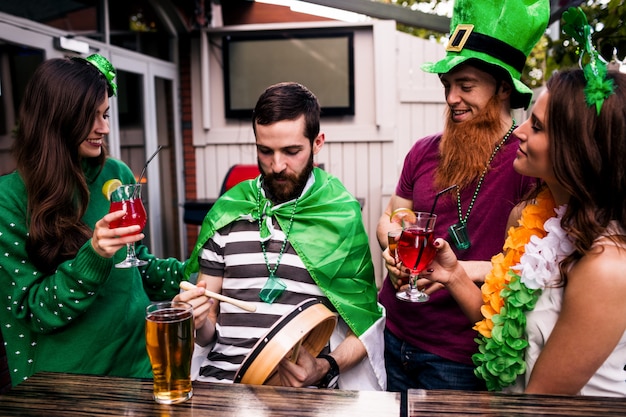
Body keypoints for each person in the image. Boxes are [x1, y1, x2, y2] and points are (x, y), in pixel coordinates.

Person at [426, 8, 626, 397]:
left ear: (576, 149)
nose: (518, 131)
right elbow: (506, 331)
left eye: (536, 126)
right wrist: (453, 275)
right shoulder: (542, 222)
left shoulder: (607, 266)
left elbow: (541, 400)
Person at [375, 0, 549, 394]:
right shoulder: (423, 150)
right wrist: (393, 246)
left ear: (504, 87)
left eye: (466, 86)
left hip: (457, 356)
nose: (452, 98)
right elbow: (392, 216)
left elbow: (530, 272)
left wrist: (457, 270)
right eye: (448, 86)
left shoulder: (529, 162)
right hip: (393, 333)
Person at [181, 81, 386, 390]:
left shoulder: (338, 215)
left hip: (303, 395)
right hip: (223, 388)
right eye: (265, 151)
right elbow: (208, 330)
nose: (277, 166)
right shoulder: (229, 212)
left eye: (291, 151)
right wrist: (197, 322)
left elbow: (365, 325)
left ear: (318, 143)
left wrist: (324, 368)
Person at [0, 54, 190, 386]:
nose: (103, 128)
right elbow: (34, 310)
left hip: (143, 367)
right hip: (70, 385)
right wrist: (95, 254)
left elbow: (138, 268)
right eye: (90, 117)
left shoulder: (116, 174)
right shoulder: (9, 199)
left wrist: (199, 268)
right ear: (55, 118)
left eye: (105, 114)